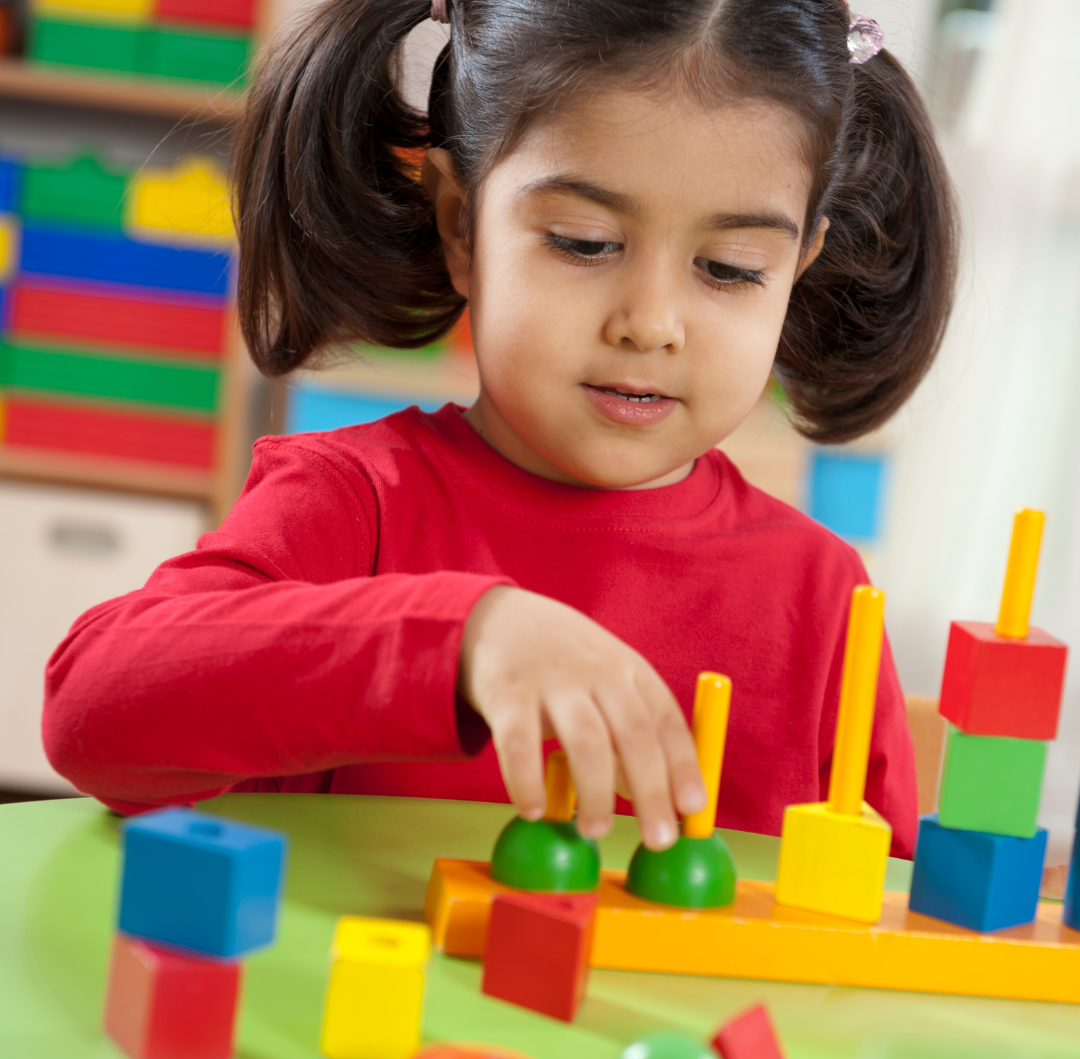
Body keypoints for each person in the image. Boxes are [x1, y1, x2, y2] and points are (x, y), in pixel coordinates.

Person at [42, 0, 957, 859]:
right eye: (584, 243)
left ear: (799, 263)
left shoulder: (829, 602)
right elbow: (91, 709)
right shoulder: (353, 506)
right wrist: (462, 637)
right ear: (461, 224)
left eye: (728, 267)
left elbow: (883, 942)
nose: (651, 322)